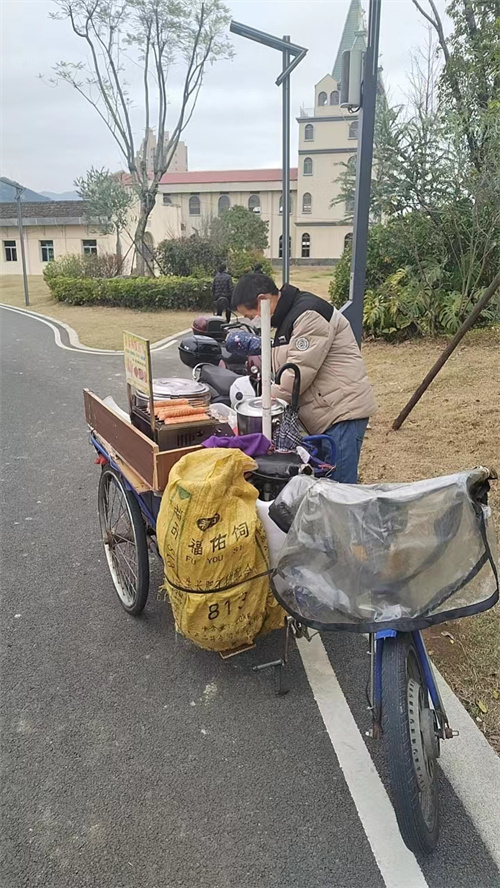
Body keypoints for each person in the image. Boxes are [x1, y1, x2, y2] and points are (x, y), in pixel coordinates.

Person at [231, 273, 376, 483]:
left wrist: (259, 403)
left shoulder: (308, 315)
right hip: (326, 411)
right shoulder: (287, 318)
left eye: (251, 314)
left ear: (262, 300)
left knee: (340, 492)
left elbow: (295, 377)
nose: (253, 320)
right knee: (326, 486)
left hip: (341, 412)